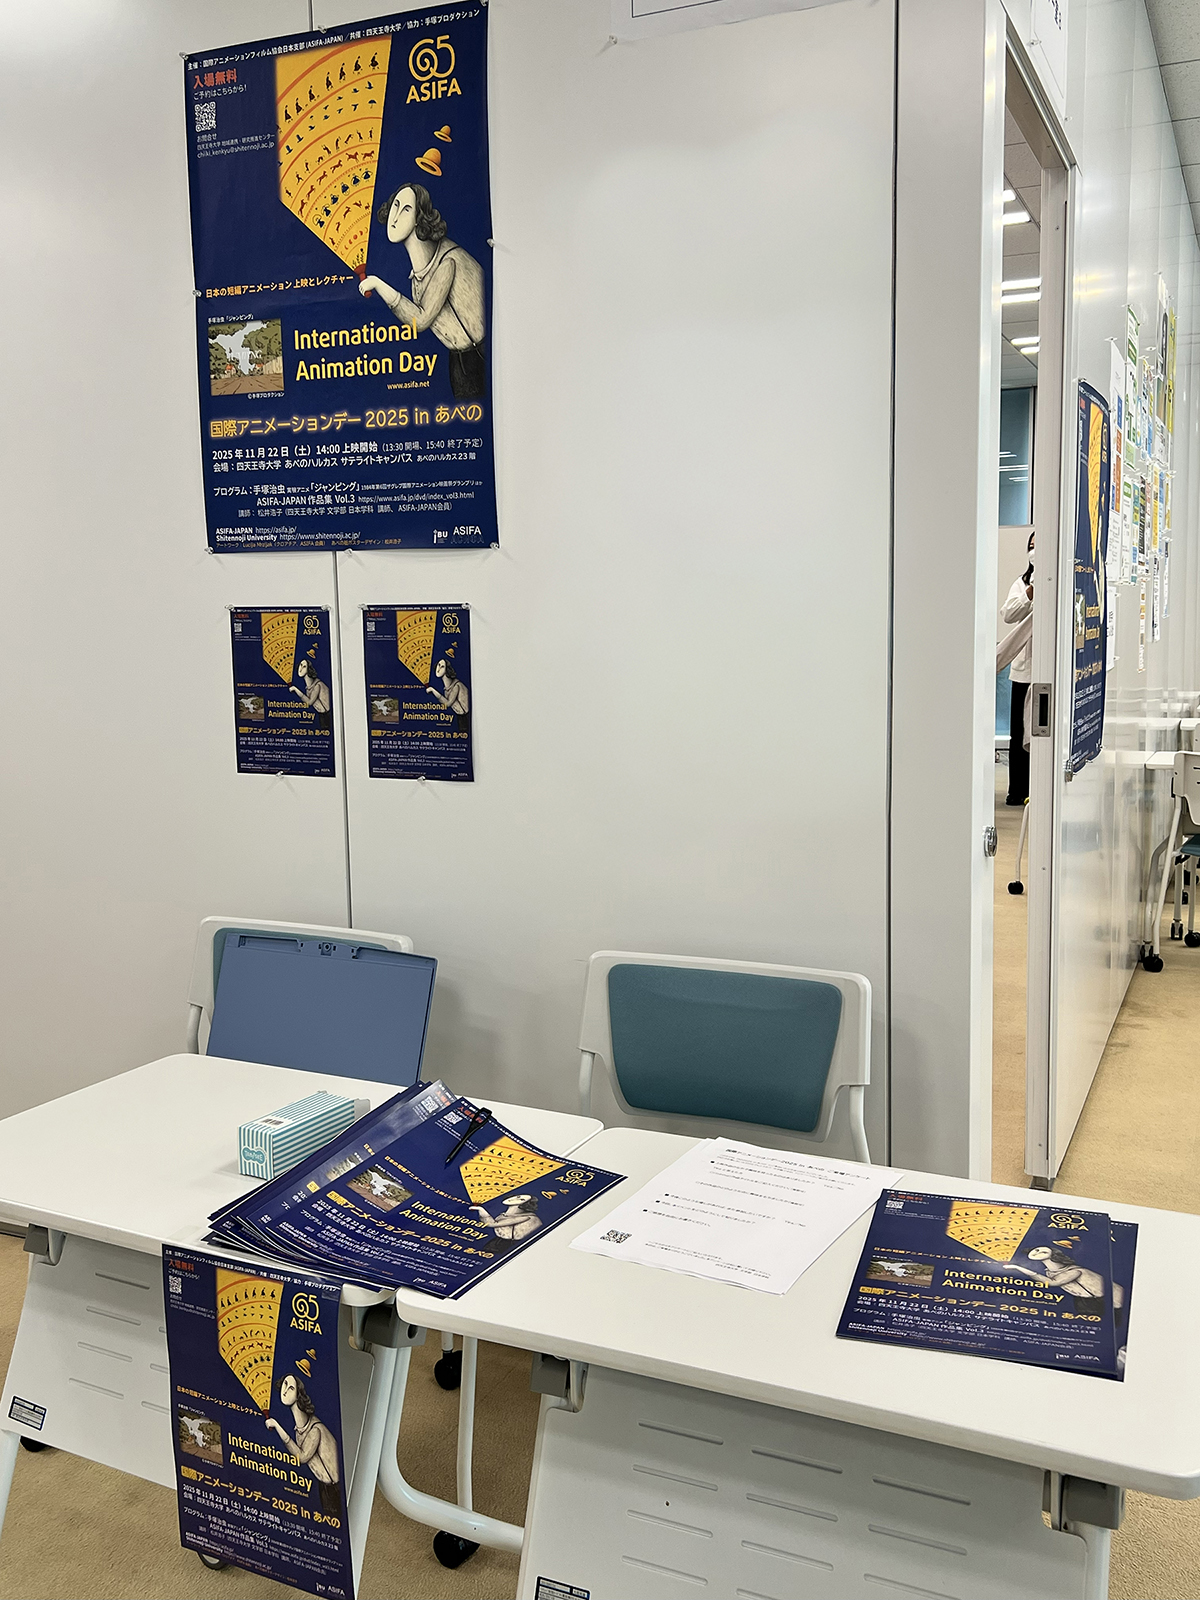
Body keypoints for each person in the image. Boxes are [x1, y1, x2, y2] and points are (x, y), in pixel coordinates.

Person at [359, 183, 486, 399]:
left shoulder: (447, 262)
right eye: (395, 206)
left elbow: (420, 320)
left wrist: (378, 284)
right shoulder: (419, 273)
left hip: (481, 358)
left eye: (406, 209)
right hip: (459, 362)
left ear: (419, 218)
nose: (395, 217)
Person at [265, 1375, 341, 1514]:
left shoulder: (314, 1430)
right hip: (324, 1487)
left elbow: (302, 1457)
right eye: (285, 1384)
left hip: (337, 1490)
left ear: (298, 1395)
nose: (285, 1390)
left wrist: (276, 1426)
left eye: (291, 1388)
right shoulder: (300, 1429)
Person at [1002, 531, 1035, 805]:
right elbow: (1009, 614)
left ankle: (1038, 788)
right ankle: (1017, 791)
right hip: (1023, 671)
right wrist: (1030, 592)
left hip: (1049, 672)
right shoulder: (1022, 583)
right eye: (1031, 546)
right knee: (1018, 734)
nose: (1034, 551)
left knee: (1040, 733)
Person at [426, 656, 469, 734]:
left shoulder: (456, 686)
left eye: (442, 666)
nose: (438, 669)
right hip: (459, 717)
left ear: (447, 670)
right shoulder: (446, 689)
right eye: (438, 665)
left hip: (465, 718)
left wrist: (432, 690)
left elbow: (448, 704)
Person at [290, 658, 331, 731]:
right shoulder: (308, 688)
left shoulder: (317, 685)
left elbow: (309, 702)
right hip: (321, 716)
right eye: (301, 665)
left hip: (327, 717)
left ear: (308, 669)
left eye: (304, 666)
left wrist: (295, 689)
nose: (301, 669)